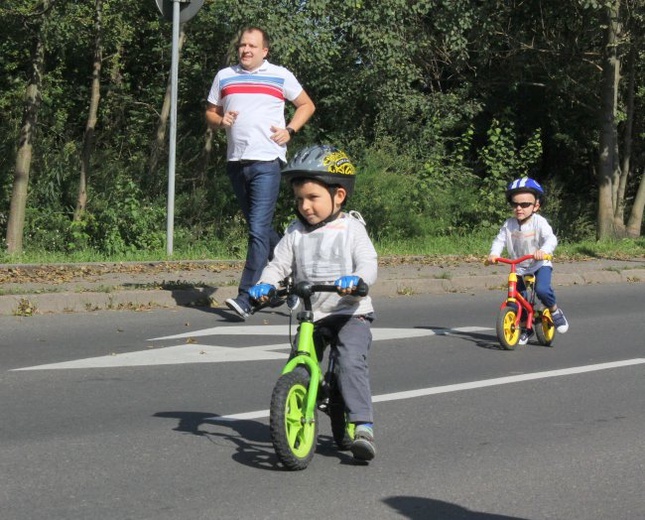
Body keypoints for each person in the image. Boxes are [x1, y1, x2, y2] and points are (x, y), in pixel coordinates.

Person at [248, 145, 378, 462]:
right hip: (313, 315)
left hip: (350, 313)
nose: (305, 206)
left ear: (339, 196)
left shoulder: (351, 228)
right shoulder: (295, 233)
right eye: (299, 199)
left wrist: (357, 280)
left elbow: (368, 263)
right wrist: (266, 284)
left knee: (349, 363)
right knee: (299, 358)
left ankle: (363, 427)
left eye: (312, 198)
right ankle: (304, 395)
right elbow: (278, 266)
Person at [205, 26, 315, 320]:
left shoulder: (280, 75)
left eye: (252, 46)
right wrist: (220, 119)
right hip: (236, 162)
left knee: (255, 230)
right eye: (242, 45)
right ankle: (294, 274)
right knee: (262, 229)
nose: (246, 50)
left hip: (267, 161)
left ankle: (247, 296)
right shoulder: (224, 76)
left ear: (265, 50)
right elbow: (210, 113)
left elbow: (306, 104)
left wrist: (290, 130)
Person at [488, 177, 569, 344]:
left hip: (539, 264)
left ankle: (554, 311)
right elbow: (499, 240)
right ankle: (525, 327)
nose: (519, 208)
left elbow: (551, 239)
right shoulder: (509, 224)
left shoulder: (539, 222)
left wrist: (544, 251)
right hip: (517, 267)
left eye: (525, 205)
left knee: (542, 290)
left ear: (536, 206)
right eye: (515, 204)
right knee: (518, 298)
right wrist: (494, 254)